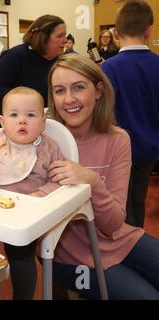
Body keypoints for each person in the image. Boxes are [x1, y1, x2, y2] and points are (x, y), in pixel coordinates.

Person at [48, 53, 159, 299]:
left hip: (121, 238)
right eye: (59, 90)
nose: (69, 99)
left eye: (78, 87)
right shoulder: (45, 141)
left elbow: (113, 224)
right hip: (69, 259)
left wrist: (92, 181)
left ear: (98, 90)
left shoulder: (118, 139)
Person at [101, 0, 159, 228]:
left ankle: (124, 249)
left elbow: (103, 113)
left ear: (115, 32)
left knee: (117, 205)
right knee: (138, 200)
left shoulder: (108, 68)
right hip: (150, 149)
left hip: (116, 151)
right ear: (148, 31)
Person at [0, 86, 63, 197]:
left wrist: (41, 195)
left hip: (30, 207)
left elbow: (60, 180)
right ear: (3, 122)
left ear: (43, 123)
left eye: (30, 115)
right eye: (14, 115)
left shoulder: (49, 148)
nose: (22, 121)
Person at [0, 15, 66, 128]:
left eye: (65, 35)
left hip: (38, 124)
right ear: (43, 37)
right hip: (9, 124)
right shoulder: (16, 56)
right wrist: (26, 103)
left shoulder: (59, 61)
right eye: (60, 36)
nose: (65, 41)